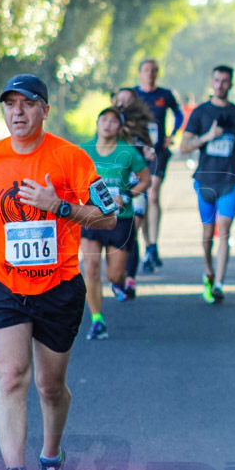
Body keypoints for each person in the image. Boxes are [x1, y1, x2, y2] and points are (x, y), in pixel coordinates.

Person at [0, 74, 118, 470]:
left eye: (27, 104)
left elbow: (109, 216)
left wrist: (59, 206)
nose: (18, 112)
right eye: (10, 105)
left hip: (58, 287)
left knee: (49, 386)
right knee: (10, 377)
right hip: (3, 283)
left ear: (45, 109)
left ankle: (50, 454)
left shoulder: (71, 158)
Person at [180, 65, 235, 304]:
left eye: (225, 81)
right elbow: (184, 146)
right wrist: (207, 137)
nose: (220, 85)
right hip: (205, 179)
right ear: (212, 82)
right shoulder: (200, 112)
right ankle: (208, 271)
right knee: (208, 233)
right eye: (217, 80)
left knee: (224, 230)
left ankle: (220, 282)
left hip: (229, 178)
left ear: (231, 84)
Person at [79, 106, 150, 340]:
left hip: (121, 219)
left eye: (113, 121)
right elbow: (71, 179)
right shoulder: (84, 150)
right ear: (97, 123)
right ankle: (97, 320)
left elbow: (145, 180)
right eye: (103, 119)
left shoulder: (127, 151)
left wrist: (127, 194)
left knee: (114, 275)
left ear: (120, 127)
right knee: (90, 269)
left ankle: (119, 284)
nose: (107, 124)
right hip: (91, 217)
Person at [133, 58, 184, 273]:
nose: (150, 74)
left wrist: (172, 135)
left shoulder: (165, 95)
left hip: (158, 151)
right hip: (137, 151)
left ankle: (153, 244)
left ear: (158, 73)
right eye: (146, 70)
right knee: (141, 199)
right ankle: (149, 247)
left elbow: (180, 115)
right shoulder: (133, 94)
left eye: (153, 70)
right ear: (140, 73)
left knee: (153, 194)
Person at [112, 88, 156, 289]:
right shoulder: (109, 123)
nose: (124, 104)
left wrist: (149, 152)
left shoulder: (143, 126)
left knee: (132, 230)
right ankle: (117, 273)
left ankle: (130, 277)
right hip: (115, 182)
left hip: (136, 180)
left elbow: (151, 147)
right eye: (121, 100)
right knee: (117, 231)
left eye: (128, 100)